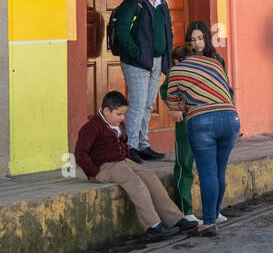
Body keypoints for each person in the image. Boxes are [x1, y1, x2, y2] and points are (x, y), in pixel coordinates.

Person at [73, 91, 198, 240]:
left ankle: (175, 218)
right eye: (119, 114)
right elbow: (80, 153)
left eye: (123, 114)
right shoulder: (91, 127)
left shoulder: (118, 124)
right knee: (137, 185)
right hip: (105, 167)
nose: (122, 118)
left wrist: (128, 159)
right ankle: (154, 226)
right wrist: (94, 172)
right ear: (106, 111)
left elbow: (123, 143)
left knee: (150, 177)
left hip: (123, 162)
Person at [164, 45, 240, 237]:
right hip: (231, 118)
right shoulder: (214, 63)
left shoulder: (177, 69)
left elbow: (172, 101)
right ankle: (214, 215)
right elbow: (226, 89)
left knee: (207, 172)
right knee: (219, 170)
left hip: (203, 120)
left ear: (176, 61)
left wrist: (182, 103)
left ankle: (208, 223)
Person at [110, 0, 174, 162]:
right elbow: (121, 30)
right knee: (137, 104)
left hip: (156, 61)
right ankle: (128, 148)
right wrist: (136, 53)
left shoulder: (162, 4)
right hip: (137, 62)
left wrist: (168, 56)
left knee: (147, 105)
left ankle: (142, 145)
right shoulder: (134, 1)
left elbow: (168, 31)